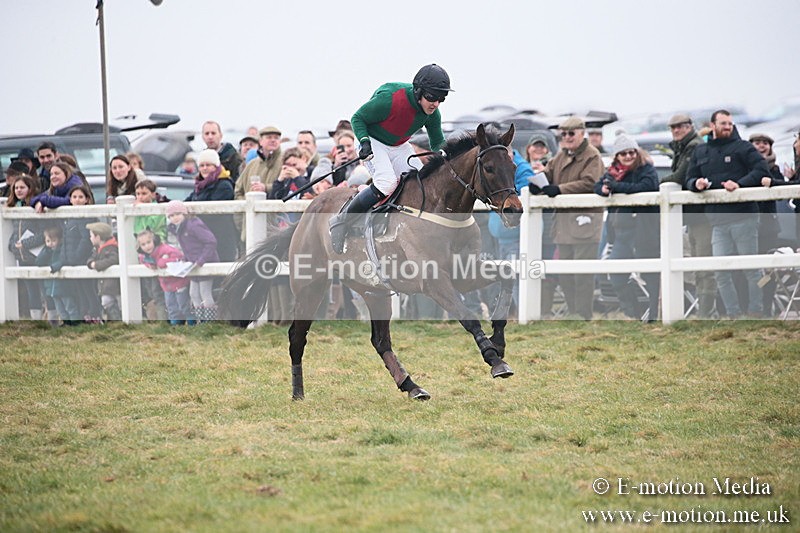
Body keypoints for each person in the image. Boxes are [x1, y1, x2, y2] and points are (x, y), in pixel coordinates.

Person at [329, 63, 453, 254]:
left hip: (399, 145)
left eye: (441, 99)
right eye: (431, 97)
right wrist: (363, 142)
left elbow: (437, 142)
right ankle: (341, 221)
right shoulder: (391, 99)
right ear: (419, 91)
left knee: (422, 184)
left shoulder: (432, 113)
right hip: (372, 140)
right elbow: (357, 118)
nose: (435, 103)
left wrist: (449, 156)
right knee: (386, 183)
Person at [685, 109, 771, 318]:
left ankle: (756, 313)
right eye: (723, 123)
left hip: (744, 217)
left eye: (730, 124)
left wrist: (739, 184)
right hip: (717, 221)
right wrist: (696, 184)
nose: (727, 127)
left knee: (751, 270)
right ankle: (733, 315)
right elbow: (688, 179)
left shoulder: (744, 147)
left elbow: (761, 171)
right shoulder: (701, 151)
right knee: (721, 271)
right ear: (712, 125)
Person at [539, 116, 605, 320]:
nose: (566, 137)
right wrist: (538, 183)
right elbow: (547, 174)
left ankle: (583, 315)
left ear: (582, 133)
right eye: (563, 134)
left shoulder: (592, 156)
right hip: (563, 225)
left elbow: (590, 182)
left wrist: (558, 189)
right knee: (564, 274)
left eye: (571, 133)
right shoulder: (560, 155)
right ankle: (574, 312)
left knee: (582, 275)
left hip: (584, 222)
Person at [594, 134, 660, 320]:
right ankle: (635, 313)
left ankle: (654, 315)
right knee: (616, 274)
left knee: (651, 277)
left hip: (644, 232)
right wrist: (605, 189)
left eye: (632, 152)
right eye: (624, 154)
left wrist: (618, 187)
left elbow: (647, 186)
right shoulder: (613, 172)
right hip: (621, 233)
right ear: (617, 156)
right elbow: (598, 186)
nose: (629, 156)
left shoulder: (647, 169)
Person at [660, 113, 715, 317]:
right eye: (673, 127)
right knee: (696, 265)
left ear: (689, 126)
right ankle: (705, 310)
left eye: (680, 126)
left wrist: (658, 183)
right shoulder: (683, 146)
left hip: (701, 215)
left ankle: (707, 311)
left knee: (703, 264)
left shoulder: (693, 146)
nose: (676, 130)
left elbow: (679, 177)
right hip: (693, 216)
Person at [748, 133, 784, 316]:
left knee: (769, 270)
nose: (761, 146)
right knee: (750, 269)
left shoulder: (774, 169)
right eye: (756, 143)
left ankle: (767, 306)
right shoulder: (746, 168)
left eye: (764, 143)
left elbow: (783, 186)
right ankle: (753, 306)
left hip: (768, 227)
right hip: (748, 225)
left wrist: (772, 181)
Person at [166, 200, 219, 320]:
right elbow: (189, 248)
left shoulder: (193, 225)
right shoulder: (179, 229)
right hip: (193, 265)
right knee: (193, 294)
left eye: (178, 214)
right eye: (172, 216)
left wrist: (201, 260)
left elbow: (211, 241)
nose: (175, 218)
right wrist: (186, 259)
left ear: (184, 213)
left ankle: (210, 321)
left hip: (205, 263)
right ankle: (200, 320)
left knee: (204, 293)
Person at [185, 149, 238, 262]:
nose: (204, 168)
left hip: (221, 237)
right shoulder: (200, 186)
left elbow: (213, 213)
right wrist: (166, 201)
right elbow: (186, 203)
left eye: (208, 165)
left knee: (221, 273)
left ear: (216, 166)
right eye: (202, 165)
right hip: (204, 237)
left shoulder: (224, 185)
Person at [7, 175, 44, 319]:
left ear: (30, 188)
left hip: (37, 254)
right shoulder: (13, 208)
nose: (18, 190)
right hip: (22, 255)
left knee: (44, 289)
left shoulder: (36, 207)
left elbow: (42, 233)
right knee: (31, 290)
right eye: (16, 188)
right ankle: (37, 320)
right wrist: (12, 245)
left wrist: (26, 244)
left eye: (22, 187)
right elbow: (13, 231)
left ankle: (52, 319)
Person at [136, 229, 191, 325]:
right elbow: (143, 261)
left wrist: (163, 262)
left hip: (179, 283)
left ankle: (193, 325)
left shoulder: (165, 249)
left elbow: (179, 257)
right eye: (143, 244)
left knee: (184, 306)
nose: (147, 246)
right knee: (171, 308)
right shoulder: (145, 257)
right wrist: (150, 265)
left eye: (149, 242)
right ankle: (176, 328)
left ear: (154, 240)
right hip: (166, 286)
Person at [64, 185, 103, 323]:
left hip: (83, 259)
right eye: (74, 197)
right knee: (79, 289)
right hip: (72, 259)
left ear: (87, 199)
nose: (77, 200)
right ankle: (84, 315)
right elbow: (66, 239)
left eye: (81, 197)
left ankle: (95, 315)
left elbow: (86, 239)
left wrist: (76, 256)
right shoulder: (69, 217)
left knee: (89, 289)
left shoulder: (87, 217)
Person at [36, 225, 79, 325]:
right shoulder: (46, 251)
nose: (50, 244)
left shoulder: (63, 251)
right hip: (51, 287)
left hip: (64, 286)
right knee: (60, 310)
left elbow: (64, 261)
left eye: (53, 240)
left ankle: (76, 326)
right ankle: (66, 325)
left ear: (59, 240)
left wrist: (55, 266)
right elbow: (38, 261)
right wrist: (46, 251)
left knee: (70, 307)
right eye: (48, 241)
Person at [87, 222, 121, 321]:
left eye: (91, 236)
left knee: (119, 304)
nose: (90, 238)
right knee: (106, 302)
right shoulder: (97, 249)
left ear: (98, 237)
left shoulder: (112, 248)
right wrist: (90, 263)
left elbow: (114, 259)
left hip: (114, 285)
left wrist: (97, 265)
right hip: (105, 285)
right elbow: (90, 258)